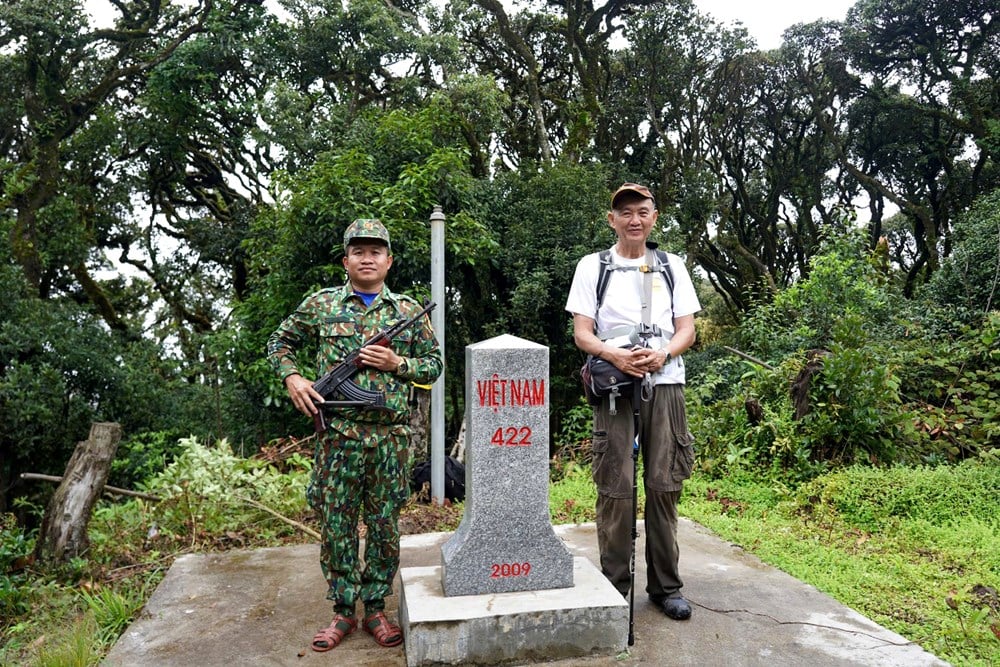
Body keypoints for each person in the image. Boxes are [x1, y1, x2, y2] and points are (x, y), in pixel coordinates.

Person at [267, 219, 443, 651]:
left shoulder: (405, 312)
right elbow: (279, 342)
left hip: (389, 441)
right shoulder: (322, 304)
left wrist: (396, 365)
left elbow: (434, 366)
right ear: (346, 260)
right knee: (337, 525)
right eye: (359, 251)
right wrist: (294, 379)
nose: (368, 258)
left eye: (376, 251)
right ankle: (343, 612)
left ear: (389, 261)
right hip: (338, 439)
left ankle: (377, 609)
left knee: (384, 526)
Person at [564, 183, 701, 621]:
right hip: (614, 390)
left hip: (665, 385)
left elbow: (687, 329)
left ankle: (666, 586)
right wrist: (615, 355)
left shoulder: (672, 265)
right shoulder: (593, 266)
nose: (634, 219)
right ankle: (613, 586)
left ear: (654, 217)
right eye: (625, 212)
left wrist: (663, 353)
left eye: (642, 211)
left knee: (664, 485)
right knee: (615, 488)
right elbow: (582, 332)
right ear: (612, 220)